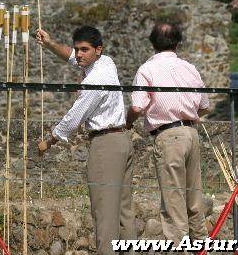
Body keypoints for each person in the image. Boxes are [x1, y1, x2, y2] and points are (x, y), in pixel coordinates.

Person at [36, 26, 136, 255]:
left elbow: (75, 116)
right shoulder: (105, 62)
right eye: (77, 49)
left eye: (84, 50)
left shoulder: (97, 77)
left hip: (106, 145)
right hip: (122, 141)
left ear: (98, 49)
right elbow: (71, 58)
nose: (79, 54)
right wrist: (50, 44)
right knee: (124, 212)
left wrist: (49, 141)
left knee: (105, 214)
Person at [126, 22, 210, 244]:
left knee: (173, 201)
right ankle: (201, 246)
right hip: (191, 133)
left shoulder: (147, 69)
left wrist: (127, 123)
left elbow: (137, 107)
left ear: (152, 43)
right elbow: (204, 105)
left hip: (168, 134)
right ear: (178, 42)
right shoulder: (190, 68)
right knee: (194, 199)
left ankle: (180, 247)